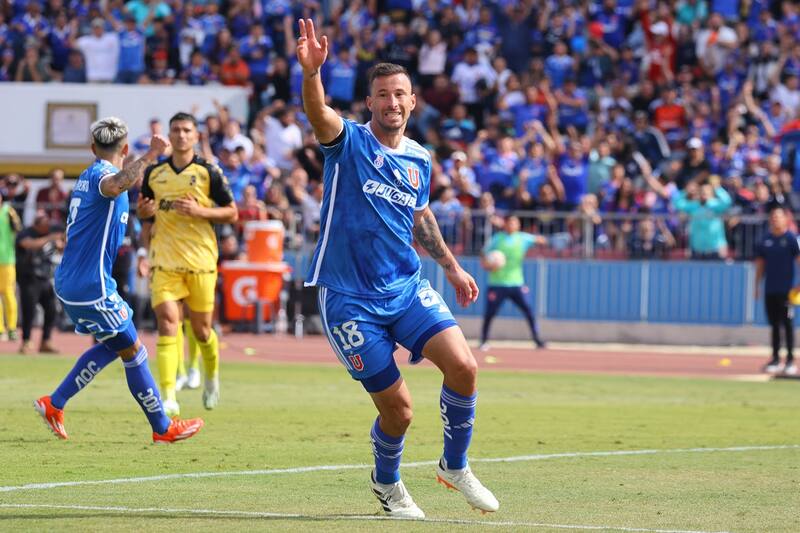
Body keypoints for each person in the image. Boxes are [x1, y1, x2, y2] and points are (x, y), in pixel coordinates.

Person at [296, 19, 498, 518]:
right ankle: (387, 484)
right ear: (370, 102)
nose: (391, 102)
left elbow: (420, 216)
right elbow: (318, 112)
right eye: (382, 94)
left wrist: (451, 267)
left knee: (465, 367)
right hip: (349, 299)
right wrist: (312, 73)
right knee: (400, 411)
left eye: (399, 94)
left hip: (405, 288)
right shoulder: (348, 142)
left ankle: (454, 466)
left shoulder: (419, 158)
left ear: (412, 102)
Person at [34, 117, 203, 443]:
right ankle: (163, 427)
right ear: (125, 149)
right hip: (91, 286)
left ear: (92, 147)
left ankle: (54, 404)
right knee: (135, 351)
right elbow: (116, 184)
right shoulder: (102, 175)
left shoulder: (86, 175)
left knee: (115, 345)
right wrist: (151, 154)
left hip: (74, 281)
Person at [137, 112, 238, 416]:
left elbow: (232, 212)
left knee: (202, 330)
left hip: (200, 260)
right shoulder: (154, 174)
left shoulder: (209, 171)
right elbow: (146, 220)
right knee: (167, 323)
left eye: (186, 130)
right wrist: (144, 243)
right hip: (164, 261)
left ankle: (211, 378)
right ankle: (168, 395)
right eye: (176, 130)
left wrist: (201, 212)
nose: (181, 135)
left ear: (196, 136)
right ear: (169, 135)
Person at [479, 215, 547, 351]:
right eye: (509, 222)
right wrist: (488, 264)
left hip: (517, 283)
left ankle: (537, 339)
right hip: (497, 283)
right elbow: (483, 254)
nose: (512, 225)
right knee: (490, 313)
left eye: (515, 223)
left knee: (529, 311)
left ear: (518, 225)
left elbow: (541, 240)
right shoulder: (497, 238)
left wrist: (541, 239)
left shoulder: (522, 238)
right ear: (505, 224)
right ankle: (484, 340)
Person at [754, 206, 800, 375]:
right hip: (770, 289)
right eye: (773, 217)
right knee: (774, 325)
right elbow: (760, 265)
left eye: (779, 217)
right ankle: (774, 359)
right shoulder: (765, 240)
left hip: (788, 290)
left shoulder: (791, 239)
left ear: (785, 219)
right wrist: (757, 286)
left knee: (787, 325)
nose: (775, 220)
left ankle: (790, 360)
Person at [16, 212, 62, 354]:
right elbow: (29, 244)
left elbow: (60, 247)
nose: (47, 226)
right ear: (37, 224)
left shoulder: (50, 233)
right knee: (29, 311)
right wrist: (50, 238)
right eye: (44, 224)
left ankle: (45, 341)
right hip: (29, 278)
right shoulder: (26, 233)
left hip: (44, 277)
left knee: (51, 309)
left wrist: (59, 243)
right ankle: (26, 342)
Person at [0, 193, 21, 341]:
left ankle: (12, 328)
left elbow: (18, 227)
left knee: (8, 293)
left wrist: (14, 222)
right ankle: (1, 329)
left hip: (7, 259)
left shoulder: (8, 211)